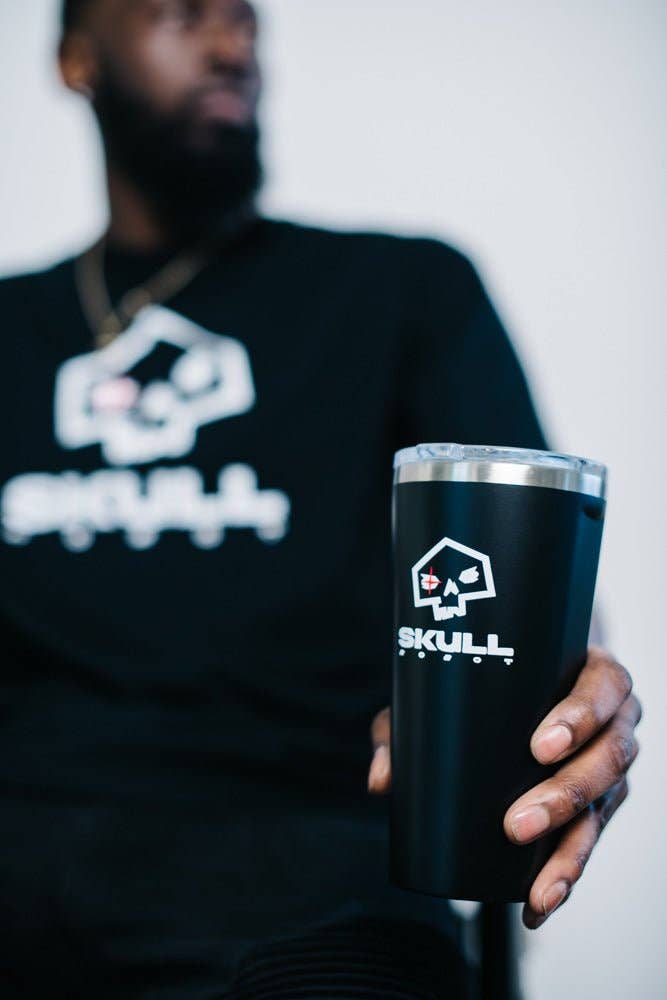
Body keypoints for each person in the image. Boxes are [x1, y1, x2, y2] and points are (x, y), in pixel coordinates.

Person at [0, 1, 642, 996]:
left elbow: (528, 588)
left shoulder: (401, 290)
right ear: (77, 59)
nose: (231, 44)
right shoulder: (11, 329)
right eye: (181, 13)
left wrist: (564, 704)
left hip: (315, 864)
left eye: (243, 18)